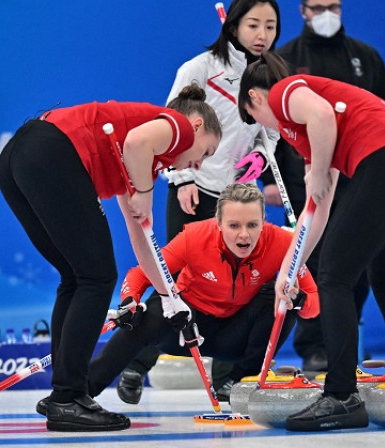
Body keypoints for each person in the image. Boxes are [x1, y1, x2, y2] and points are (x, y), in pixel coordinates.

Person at [238, 52, 385, 431]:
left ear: (254, 97)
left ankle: (340, 396)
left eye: (253, 118)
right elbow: (316, 207)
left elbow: (318, 117)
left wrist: (318, 171)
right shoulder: (313, 136)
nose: (263, 126)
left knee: (335, 276)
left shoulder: (284, 93)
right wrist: (291, 265)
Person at [0, 85, 221, 432]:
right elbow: (137, 143)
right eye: (207, 152)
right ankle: (68, 396)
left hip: (16, 157)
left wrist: (170, 298)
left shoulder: (142, 164)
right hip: (49, 151)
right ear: (197, 126)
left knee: (76, 277)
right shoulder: (176, 126)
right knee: (97, 278)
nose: (200, 164)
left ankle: (66, 395)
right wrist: (145, 195)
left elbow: (141, 238)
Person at [117, 0, 282, 403]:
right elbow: (170, 121)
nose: (262, 35)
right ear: (234, 25)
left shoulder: (272, 73)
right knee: (176, 284)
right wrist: (184, 176)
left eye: (271, 26)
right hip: (194, 189)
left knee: (241, 287)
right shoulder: (200, 68)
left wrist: (262, 156)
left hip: (239, 198)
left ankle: (227, 377)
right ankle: (136, 365)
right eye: (253, 25)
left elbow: (274, 129)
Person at [86, 183, 319, 405]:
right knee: (153, 309)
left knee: (280, 300)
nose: (244, 235)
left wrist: (297, 300)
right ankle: (82, 391)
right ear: (218, 223)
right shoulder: (195, 237)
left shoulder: (284, 242)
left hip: (235, 337)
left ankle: (243, 383)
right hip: (187, 329)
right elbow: (141, 274)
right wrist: (130, 301)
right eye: (234, 225)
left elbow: (314, 306)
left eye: (252, 225)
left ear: (263, 222)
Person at [259, 0, 385, 372]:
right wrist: (271, 181)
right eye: (318, 7)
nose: (326, 13)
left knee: (359, 261)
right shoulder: (285, 58)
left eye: (333, 5)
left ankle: (344, 341)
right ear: (303, 11)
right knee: (315, 261)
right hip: (307, 175)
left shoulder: (365, 58)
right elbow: (269, 127)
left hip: (359, 177)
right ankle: (314, 347)